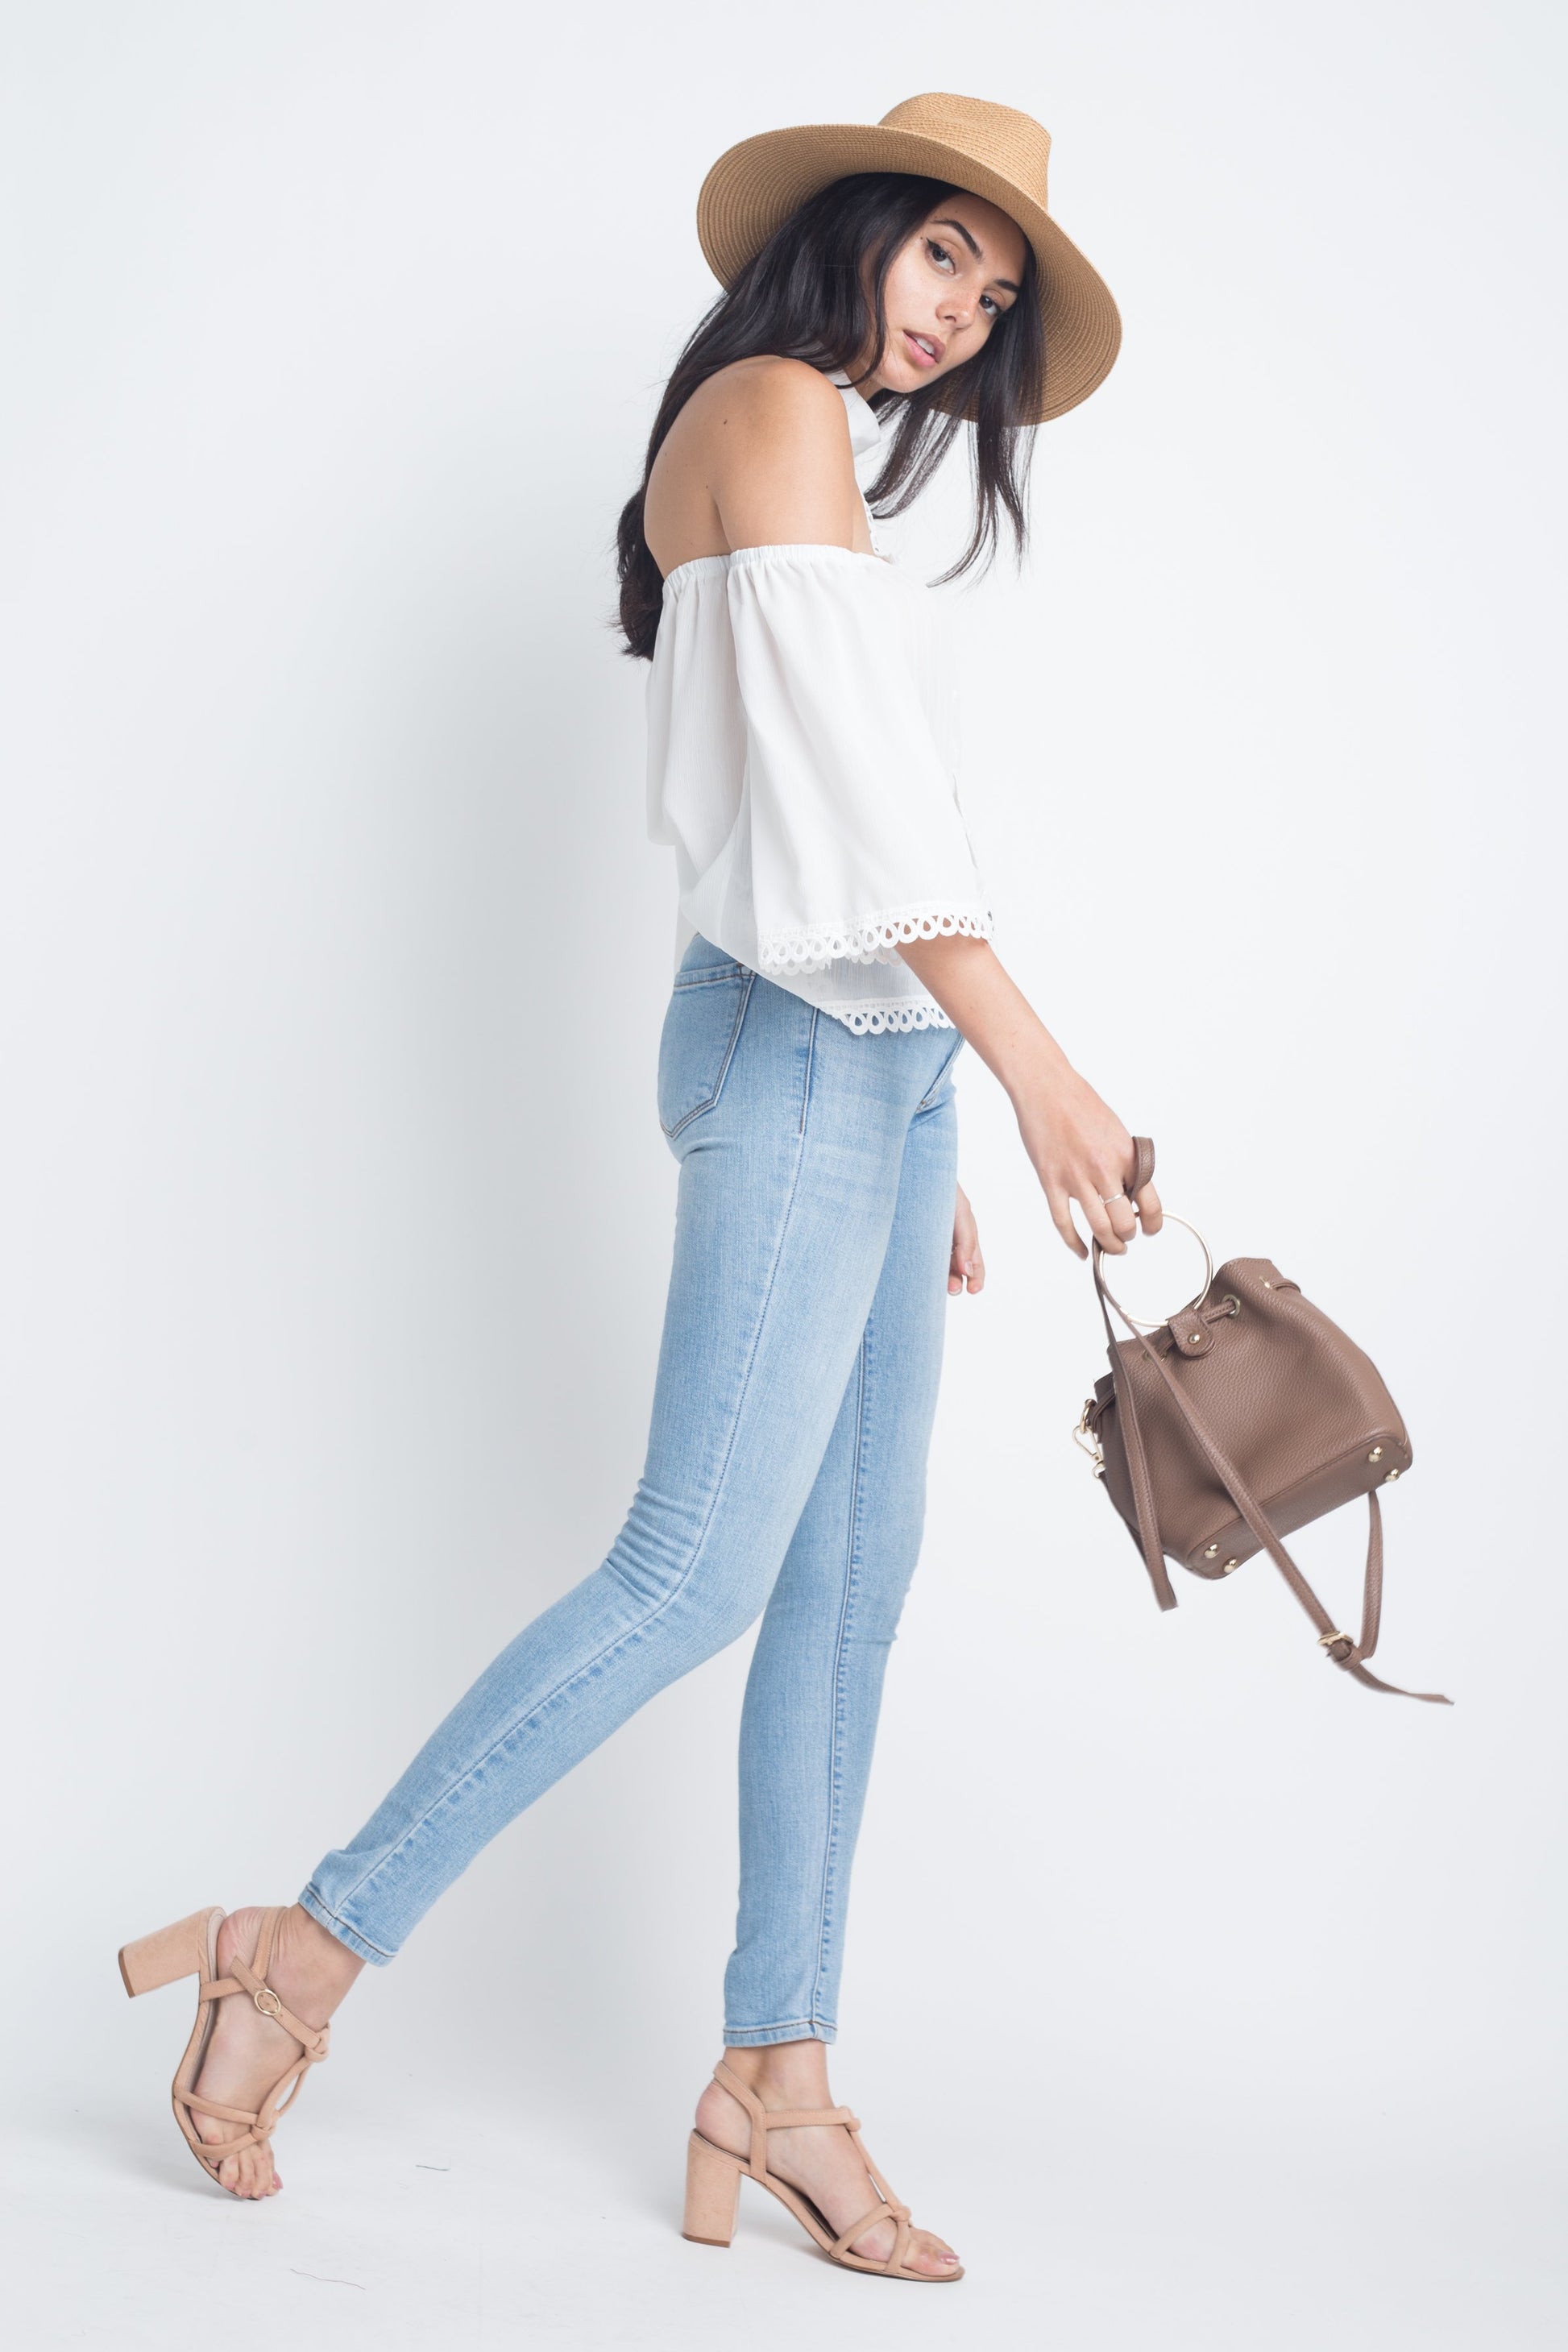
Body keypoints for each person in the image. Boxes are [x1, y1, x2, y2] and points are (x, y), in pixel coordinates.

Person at [117, 91, 1160, 2284]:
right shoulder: (769, 406)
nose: (961, 316)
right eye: (944, 256)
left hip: (866, 1062)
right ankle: (299, 1949)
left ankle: (779, 2075)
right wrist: (1036, 1072)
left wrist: (933, 1107)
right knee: (692, 1573)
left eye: (994, 296)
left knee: (848, 1591)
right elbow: (863, 806)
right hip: (803, 1044)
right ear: (854, 227)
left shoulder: (812, 440)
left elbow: (848, 816)